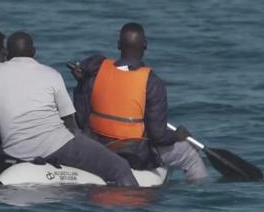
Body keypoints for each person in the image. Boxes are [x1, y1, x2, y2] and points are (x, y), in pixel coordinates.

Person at [0, 31, 139, 187]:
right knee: (119, 167)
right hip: (55, 145)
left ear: (7, 54)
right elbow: (70, 125)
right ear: (34, 52)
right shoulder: (51, 74)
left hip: (15, 149)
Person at [71, 23, 208, 181]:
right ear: (145, 46)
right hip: (132, 153)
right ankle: (200, 193)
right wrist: (177, 136)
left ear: (118, 45)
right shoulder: (152, 82)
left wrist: (80, 84)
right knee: (189, 154)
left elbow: (81, 119)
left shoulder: (96, 74)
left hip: (96, 145)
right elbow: (157, 136)